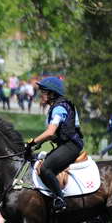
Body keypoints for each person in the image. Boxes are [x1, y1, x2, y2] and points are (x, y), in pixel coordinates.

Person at [26, 76, 83, 213]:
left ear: (52, 94)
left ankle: (60, 198)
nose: (41, 95)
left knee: (45, 168)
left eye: (44, 92)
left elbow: (50, 132)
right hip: (66, 144)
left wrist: (33, 142)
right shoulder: (57, 106)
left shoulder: (59, 109)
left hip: (71, 145)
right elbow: (55, 133)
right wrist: (39, 144)